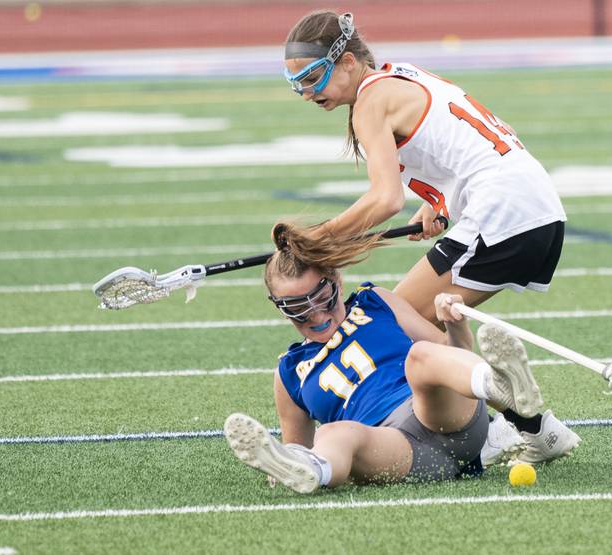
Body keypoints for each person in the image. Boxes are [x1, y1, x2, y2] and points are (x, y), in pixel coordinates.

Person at [280, 11, 580, 464]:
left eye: (312, 77)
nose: (306, 93)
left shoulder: (369, 101)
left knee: (392, 321)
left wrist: (316, 239)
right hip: (527, 204)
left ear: (346, 63)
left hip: (502, 210)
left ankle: (511, 430)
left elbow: (383, 200)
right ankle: (526, 429)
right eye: (296, 84)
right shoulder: (397, 76)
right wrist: (440, 202)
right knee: (409, 320)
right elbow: (459, 145)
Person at [224, 224, 544, 492]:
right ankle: (319, 472)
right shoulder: (289, 373)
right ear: (279, 308)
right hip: (398, 451)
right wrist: (286, 462)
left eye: (323, 300)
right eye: (298, 310)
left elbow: (451, 352)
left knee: (420, 357)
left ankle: (497, 384)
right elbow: (297, 447)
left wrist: (455, 324)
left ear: (336, 279)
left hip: (448, 417)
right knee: (333, 434)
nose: (317, 316)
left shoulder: (375, 301)